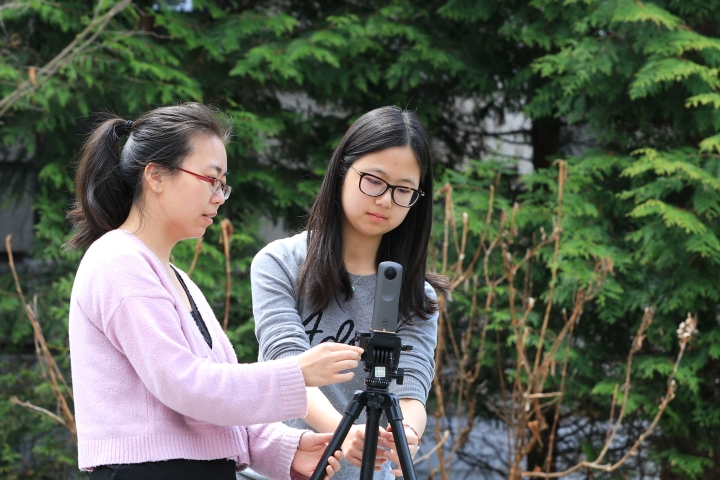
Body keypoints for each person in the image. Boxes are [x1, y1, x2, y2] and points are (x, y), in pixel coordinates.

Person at [66, 102, 365, 480]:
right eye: (211, 179)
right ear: (156, 176)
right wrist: (297, 372)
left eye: (224, 184)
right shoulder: (118, 260)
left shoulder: (174, 277)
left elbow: (213, 398)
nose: (220, 196)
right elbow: (185, 385)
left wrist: (284, 448)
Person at [250, 106, 449, 479]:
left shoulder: (416, 296)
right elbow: (285, 366)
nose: (386, 200)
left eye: (404, 190)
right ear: (342, 169)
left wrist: (405, 432)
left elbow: (411, 388)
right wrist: (345, 434)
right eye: (374, 180)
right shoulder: (280, 263)